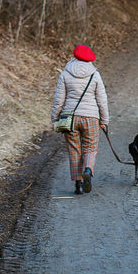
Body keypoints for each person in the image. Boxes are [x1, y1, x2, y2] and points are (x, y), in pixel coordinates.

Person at [51, 44, 110, 195]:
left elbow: (59, 100)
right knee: (90, 148)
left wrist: (55, 118)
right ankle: (88, 170)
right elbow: (102, 100)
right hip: (91, 117)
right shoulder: (94, 75)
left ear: (74, 56)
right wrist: (104, 120)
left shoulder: (65, 74)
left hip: (70, 118)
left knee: (74, 150)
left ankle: (77, 184)